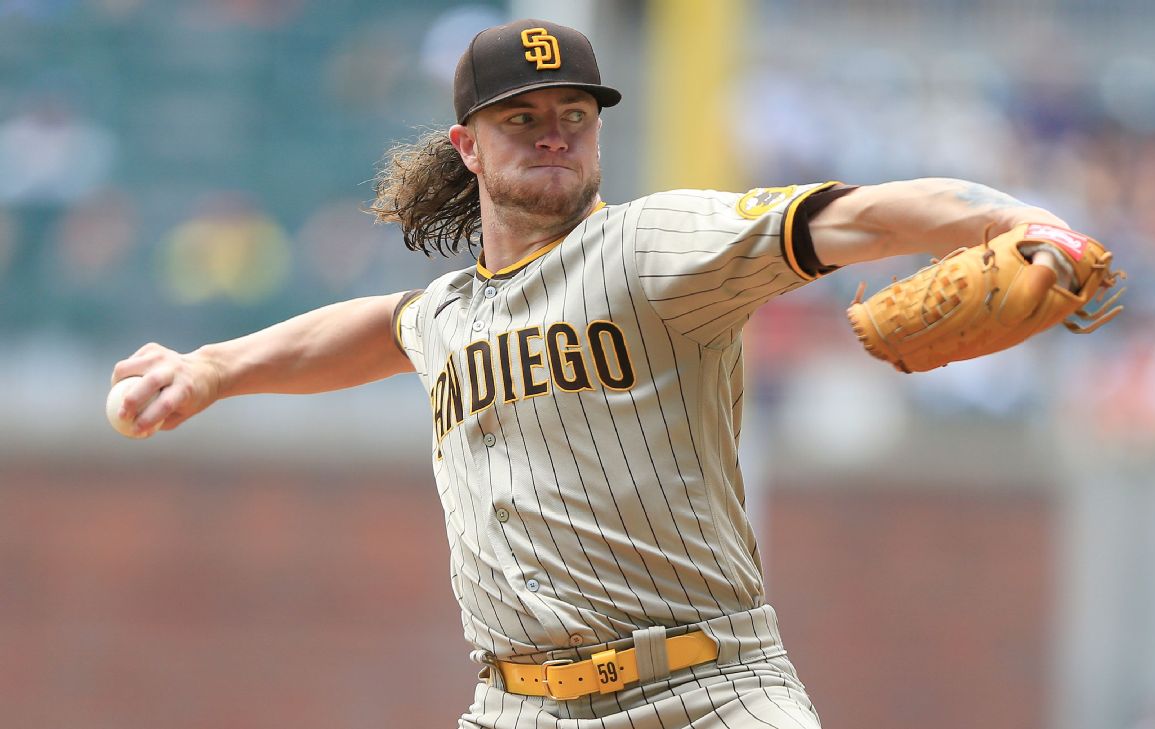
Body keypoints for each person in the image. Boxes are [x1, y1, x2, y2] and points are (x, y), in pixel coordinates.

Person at [111, 18, 1072, 729]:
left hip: (708, 690)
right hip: (516, 704)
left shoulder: (652, 246)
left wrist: (1014, 220)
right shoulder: (450, 312)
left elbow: (853, 216)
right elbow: (376, 329)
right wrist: (212, 368)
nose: (553, 133)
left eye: (574, 113)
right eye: (521, 117)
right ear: (467, 146)